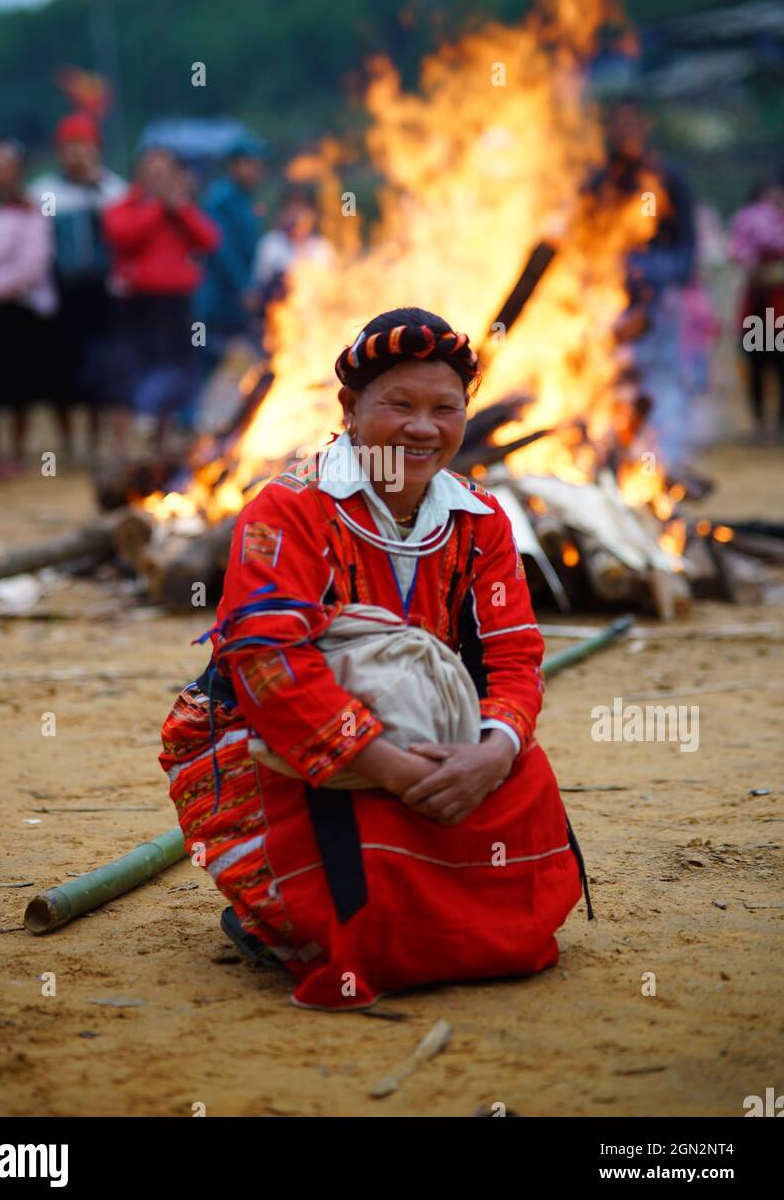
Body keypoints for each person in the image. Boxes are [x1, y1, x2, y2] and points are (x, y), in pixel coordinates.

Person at [158, 307, 586, 1011]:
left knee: (525, 777)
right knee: (353, 922)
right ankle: (288, 913)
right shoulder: (287, 509)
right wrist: (381, 762)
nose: (423, 427)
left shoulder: (481, 520)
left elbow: (514, 654)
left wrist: (488, 753)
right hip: (279, 744)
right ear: (351, 409)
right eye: (400, 405)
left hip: (430, 745)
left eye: (444, 408)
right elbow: (267, 662)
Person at [592, 98, 696, 465]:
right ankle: (614, 455)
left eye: (631, 120)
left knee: (661, 379)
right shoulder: (601, 179)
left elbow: (687, 242)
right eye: (617, 121)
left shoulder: (667, 178)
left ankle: (663, 460)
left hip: (658, 301)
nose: (625, 129)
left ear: (645, 123)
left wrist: (669, 279)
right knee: (613, 375)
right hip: (609, 301)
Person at [103, 149, 221, 454]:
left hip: (175, 304)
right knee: (128, 372)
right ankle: (121, 448)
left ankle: (163, 445)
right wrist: (158, 207)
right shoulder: (125, 207)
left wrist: (180, 209)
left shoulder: (182, 210)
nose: (158, 178)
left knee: (174, 371)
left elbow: (210, 240)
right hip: (135, 303)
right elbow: (123, 236)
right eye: (150, 171)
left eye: (163, 172)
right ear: (139, 175)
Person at [27, 113, 126, 459]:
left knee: (100, 368)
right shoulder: (43, 192)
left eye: (83, 146)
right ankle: (67, 442)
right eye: (70, 147)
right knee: (61, 366)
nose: (77, 154)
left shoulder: (113, 189)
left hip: (102, 292)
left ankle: (97, 440)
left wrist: (93, 188)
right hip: (60, 291)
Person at [0, 139, 56, 474]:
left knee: (16, 383)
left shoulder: (31, 210)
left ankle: (16, 452)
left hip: (14, 310)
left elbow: (31, 265)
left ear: (17, 172)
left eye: (2, 166)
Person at [193, 140, 265, 379]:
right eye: (252, 164)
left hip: (236, 297)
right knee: (212, 359)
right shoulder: (221, 199)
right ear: (237, 165)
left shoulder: (245, 199)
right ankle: (195, 414)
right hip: (219, 298)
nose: (257, 170)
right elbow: (221, 247)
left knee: (244, 360)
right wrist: (244, 286)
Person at [728, 173, 784, 441]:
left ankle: (779, 424)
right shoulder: (749, 220)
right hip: (759, 304)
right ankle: (761, 424)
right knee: (757, 361)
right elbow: (738, 254)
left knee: (781, 363)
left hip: (780, 305)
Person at [251, 183, 333, 318]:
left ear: (312, 214)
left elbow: (332, 291)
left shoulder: (322, 249)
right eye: (290, 210)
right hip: (280, 323)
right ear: (281, 213)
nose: (296, 216)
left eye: (301, 210)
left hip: (318, 324)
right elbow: (257, 291)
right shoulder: (270, 245)